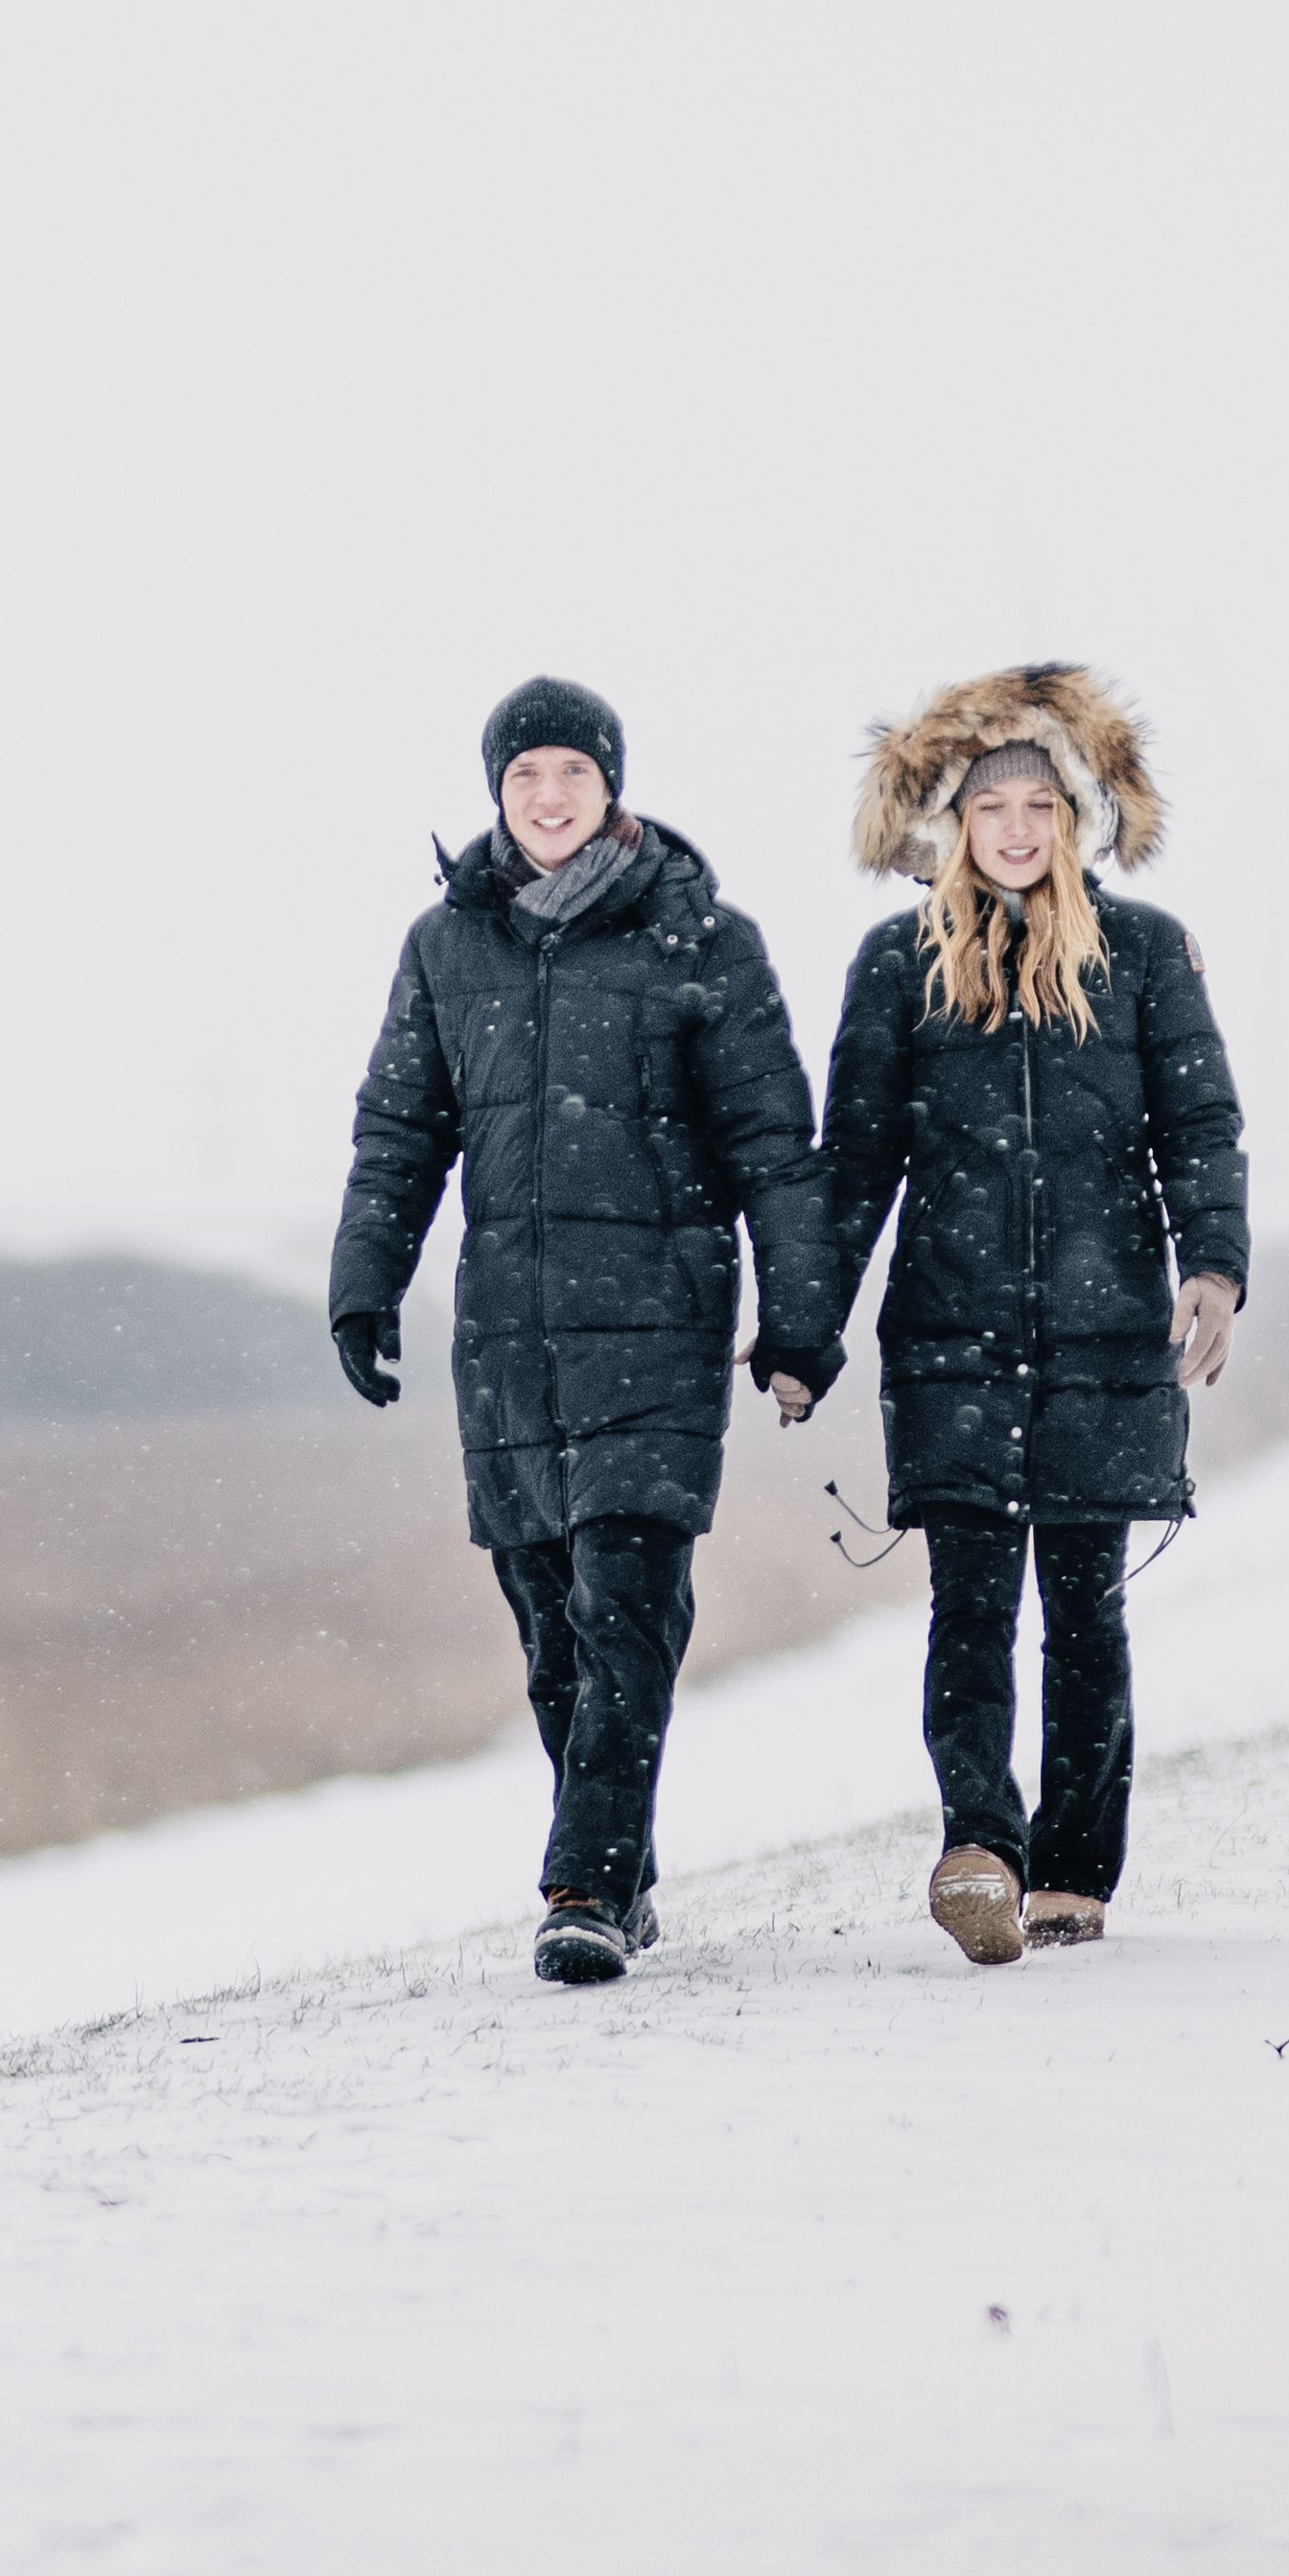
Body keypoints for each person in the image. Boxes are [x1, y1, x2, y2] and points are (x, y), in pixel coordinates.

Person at [332, 678, 844, 1987]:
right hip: (509, 1333)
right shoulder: (447, 948)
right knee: (551, 1628)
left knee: (628, 1600)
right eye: (524, 777)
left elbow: (775, 1151)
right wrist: (365, 1282)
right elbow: (403, 1134)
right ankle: (623, 1866)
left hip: (661, 1322)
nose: (549, 798)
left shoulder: (700, 941)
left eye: (571, 772)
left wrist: (802, 1316)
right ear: (495, 794)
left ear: (611, 785)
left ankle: (589, 1884)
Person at [804, 664, 1251, 1968]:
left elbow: (1201, 1126)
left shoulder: (1146, 956)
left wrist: (1214, 1266)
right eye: (989, 804)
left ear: (1075, 822)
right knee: (969, 1613)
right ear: (950, 822)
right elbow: (855, 1165)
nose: (1013, 828)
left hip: (1111, 1340)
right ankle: (980, 1850)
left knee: (1087, 1613)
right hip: (947, 1342)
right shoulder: (898, 966)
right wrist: (805, 1330)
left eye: (1038, 806)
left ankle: (1073, 1869)